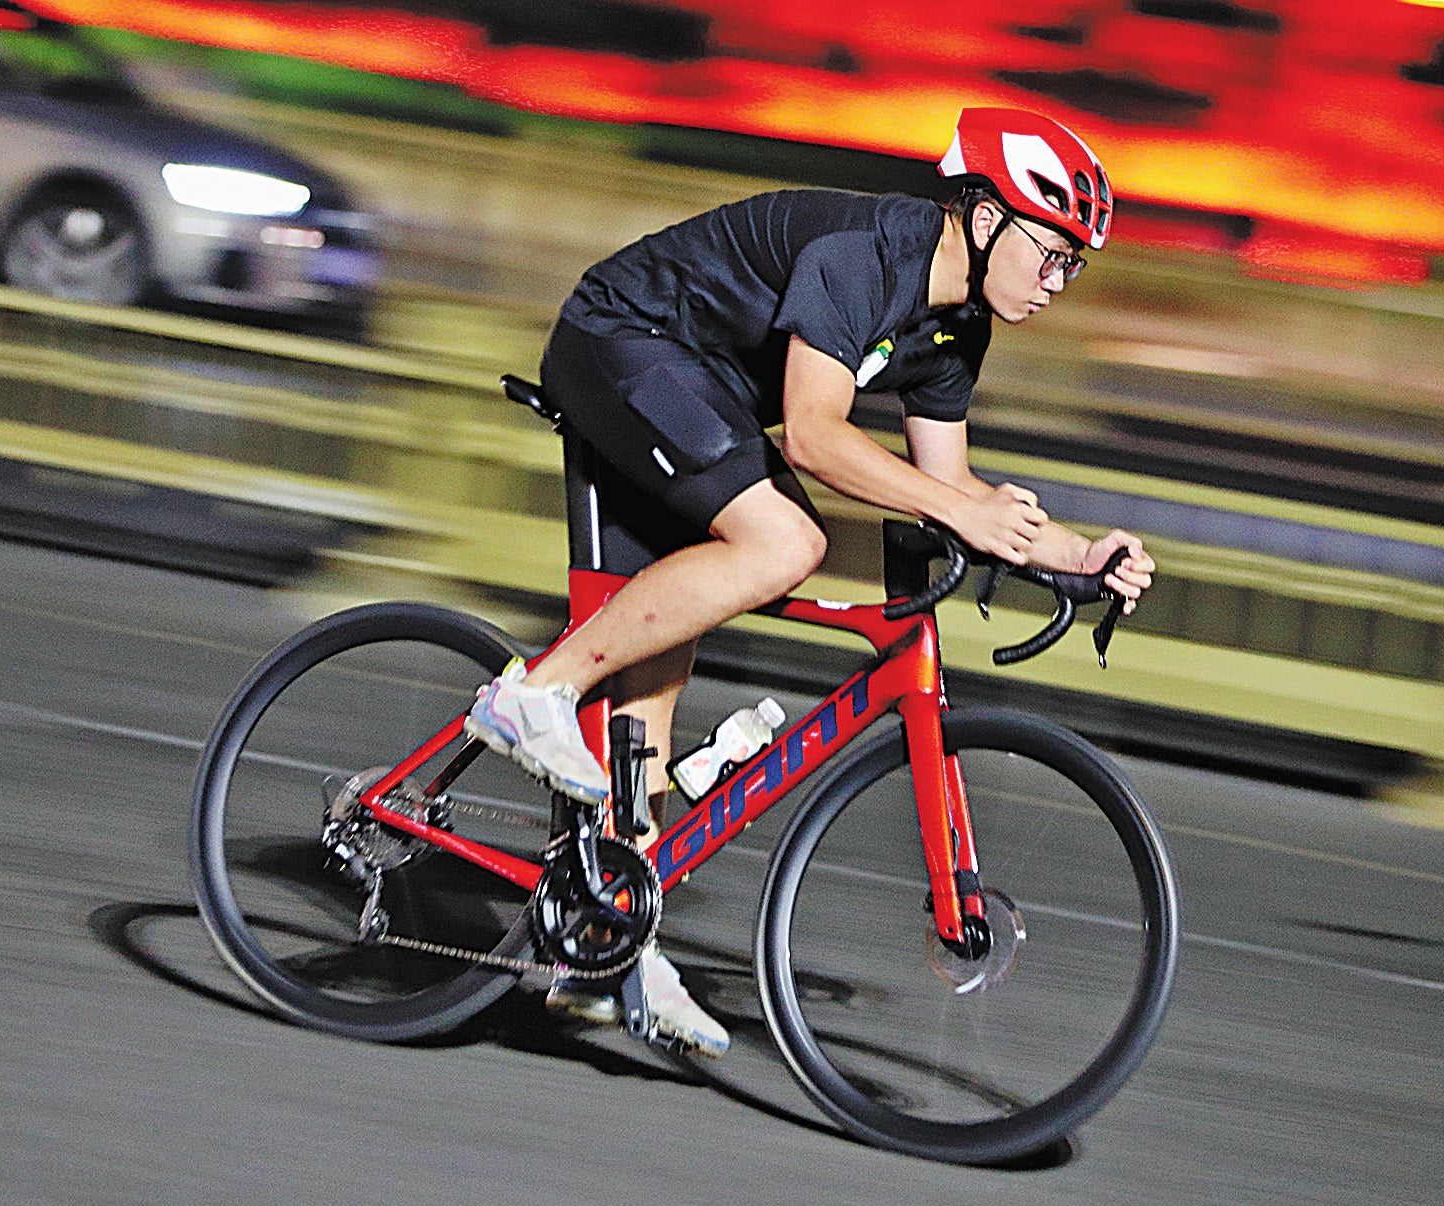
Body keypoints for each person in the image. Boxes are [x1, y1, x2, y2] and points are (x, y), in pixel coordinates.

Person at [465, 107, 1156, 1056]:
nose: (1056, 282)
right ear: (985, 215)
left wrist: (1078, 556)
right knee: (789, 541)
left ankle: (600, 952)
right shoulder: (865, 255)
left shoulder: (956, 329)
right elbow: (816, 435)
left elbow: (949, 485)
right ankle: (529, 695)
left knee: (651, 718)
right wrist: (962, 511)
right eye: (1050, 251)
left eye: (1073, 266)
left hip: (700, 395)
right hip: (624, 341)